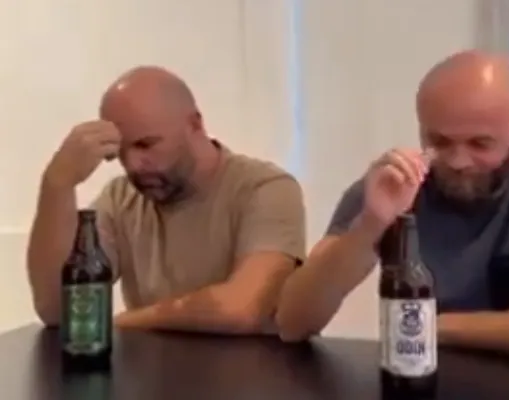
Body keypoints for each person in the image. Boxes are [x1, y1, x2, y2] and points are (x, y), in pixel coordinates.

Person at [276, 50, 509, 365]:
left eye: (480, 143)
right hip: (429, 381)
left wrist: (437, 326)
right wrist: (369, 226)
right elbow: (292, 323)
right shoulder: (394, 186)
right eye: (440, 142)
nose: (458, 161)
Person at [27, 66, 305, 335]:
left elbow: (243, 307)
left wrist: (124, 322)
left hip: (251, 378)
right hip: (149, 378)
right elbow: (57, 309)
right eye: (120, 152)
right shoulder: (120, 198)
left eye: (146, 144)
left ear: (195, 125)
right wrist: (58, 185)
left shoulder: (265, 188)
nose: (133, 164)